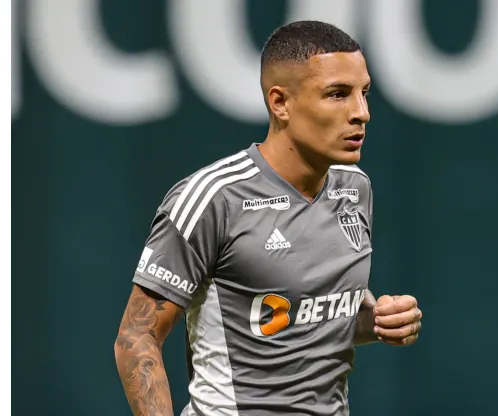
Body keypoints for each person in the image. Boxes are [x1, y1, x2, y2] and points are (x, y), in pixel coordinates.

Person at [114, 20, 423, 416]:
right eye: (337, 94)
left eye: (364, 93)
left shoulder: (355, 188)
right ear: (280, 103)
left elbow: (311, 316)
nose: (361, 113)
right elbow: (136, 335)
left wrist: (381, 320)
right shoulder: (214, 198)